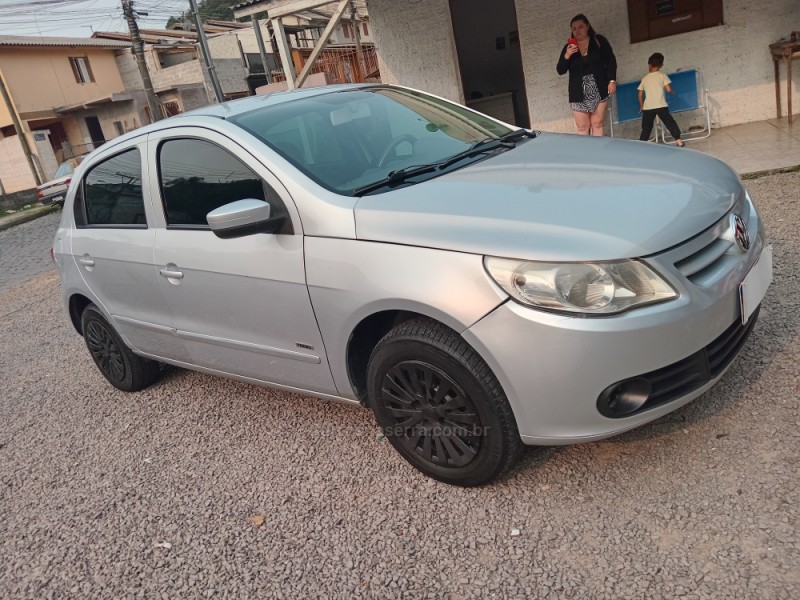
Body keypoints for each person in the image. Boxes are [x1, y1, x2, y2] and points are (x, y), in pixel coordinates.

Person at [556, 14, 617, 136]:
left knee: (597, 124)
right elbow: (560, 70)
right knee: (582, 127)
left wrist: (612, 81)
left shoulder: (598, 40)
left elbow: (611, 60)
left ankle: (598, 153)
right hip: (578, 91)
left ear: (587, 26)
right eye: (574, 28)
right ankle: (585, 153)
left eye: (580, 27)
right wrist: (567, 55)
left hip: (599, 87)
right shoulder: (568, 47)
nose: (577, 31)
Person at [638, 53, 685, 147]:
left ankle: (641, 145)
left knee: (646, 128)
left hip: (648, 107)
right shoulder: (662, 75)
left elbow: (639, 94)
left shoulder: (645, 78)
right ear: (661, 65)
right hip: (661, 105)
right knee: (670, 123)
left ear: (649, 65)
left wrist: (641, 105)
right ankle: (678, 140)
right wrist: (672, 91)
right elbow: (668, 89)